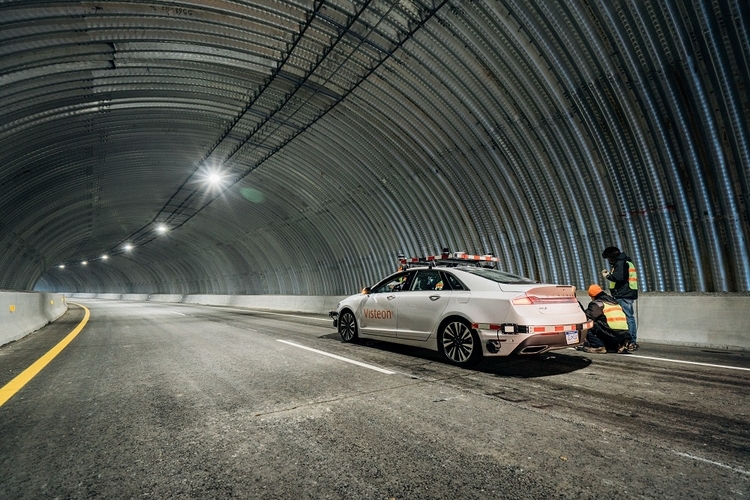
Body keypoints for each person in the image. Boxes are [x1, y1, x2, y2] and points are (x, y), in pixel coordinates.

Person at [601, 246, 638, 346]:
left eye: (608, 258)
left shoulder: (621, 263)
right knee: (628, 317)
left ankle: (630, 341)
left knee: (628, 317)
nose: (608, 261)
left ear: (612, 256)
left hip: (624, 294)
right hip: (627, 293)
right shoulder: (626, 262)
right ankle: (628, 340)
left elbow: (619, 277)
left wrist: (607, 275)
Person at [581, 284, 635, 353]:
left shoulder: (598, 303)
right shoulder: (614, 301)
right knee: (603, 323)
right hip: (625, 333)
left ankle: (598, 346)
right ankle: (618, 345)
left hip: (612, 332)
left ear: (592, 296)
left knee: (588, 325)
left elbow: (589, 316)